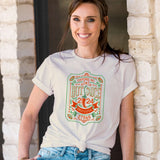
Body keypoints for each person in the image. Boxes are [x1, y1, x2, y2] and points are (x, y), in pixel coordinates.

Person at [18, 0, 138, 160]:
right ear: (70, 21)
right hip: (54, 152)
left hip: (97, 154)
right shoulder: (54, 63)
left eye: (91, 19)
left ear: (103, 23)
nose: (82, 27)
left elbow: (126, 121)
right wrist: (22, 157)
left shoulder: (122, 65)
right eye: (76, 19)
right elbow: (30, 114)